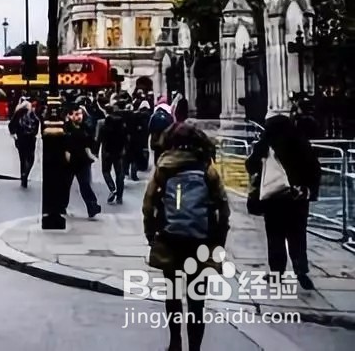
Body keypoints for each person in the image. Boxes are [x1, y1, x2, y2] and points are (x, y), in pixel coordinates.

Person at [143, 122, 230, 351]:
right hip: (200, 241)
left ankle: (175, 342)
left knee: (172, 295)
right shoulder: (206, 168)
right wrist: (219, 240)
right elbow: (223, 206)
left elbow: (149, 203)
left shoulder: (163, 168)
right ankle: (195, 348)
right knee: (196, 301)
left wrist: (151, 234)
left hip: (170, 239)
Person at [245, 114, 320, 290]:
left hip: (274, 198)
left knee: (275, 236)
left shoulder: (266, 143)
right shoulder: (300, 141)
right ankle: (300, 268)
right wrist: (309, 190)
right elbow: (314, 168)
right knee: (298, 235)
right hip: (297, 198)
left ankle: (277, 272)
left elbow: (250, 166)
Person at [63, 105, 101, 217]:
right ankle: (61, 206)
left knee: (85, 185)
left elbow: (91, 142)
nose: (79, 116)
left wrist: (91, 153)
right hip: (69, 162)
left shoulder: (86, 127)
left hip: (83, 161)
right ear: (70, 115)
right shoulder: (65, 128)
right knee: (65, 186)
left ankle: (92, 206)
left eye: (80, 114)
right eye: (76, 114)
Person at [99, 101, 128, 204]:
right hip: (119, 151)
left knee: (106, 171)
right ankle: (120, 197)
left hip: (107, 151)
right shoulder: (121, 122)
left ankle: (112, 188)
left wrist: (95, 150)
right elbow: (125, 137)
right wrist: (124, 148)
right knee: (119, 173)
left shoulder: (104, 123)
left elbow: (100, 138)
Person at [8, 100, 39, 188]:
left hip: (20, 139)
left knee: (22, 159)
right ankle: (26, 174)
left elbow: (11, 125)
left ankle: (23, 177)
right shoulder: (32, 115)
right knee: (31, 158)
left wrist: (14, 135)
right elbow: (36, 125)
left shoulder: (17, 114)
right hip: (30, 139)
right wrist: (34, 133)